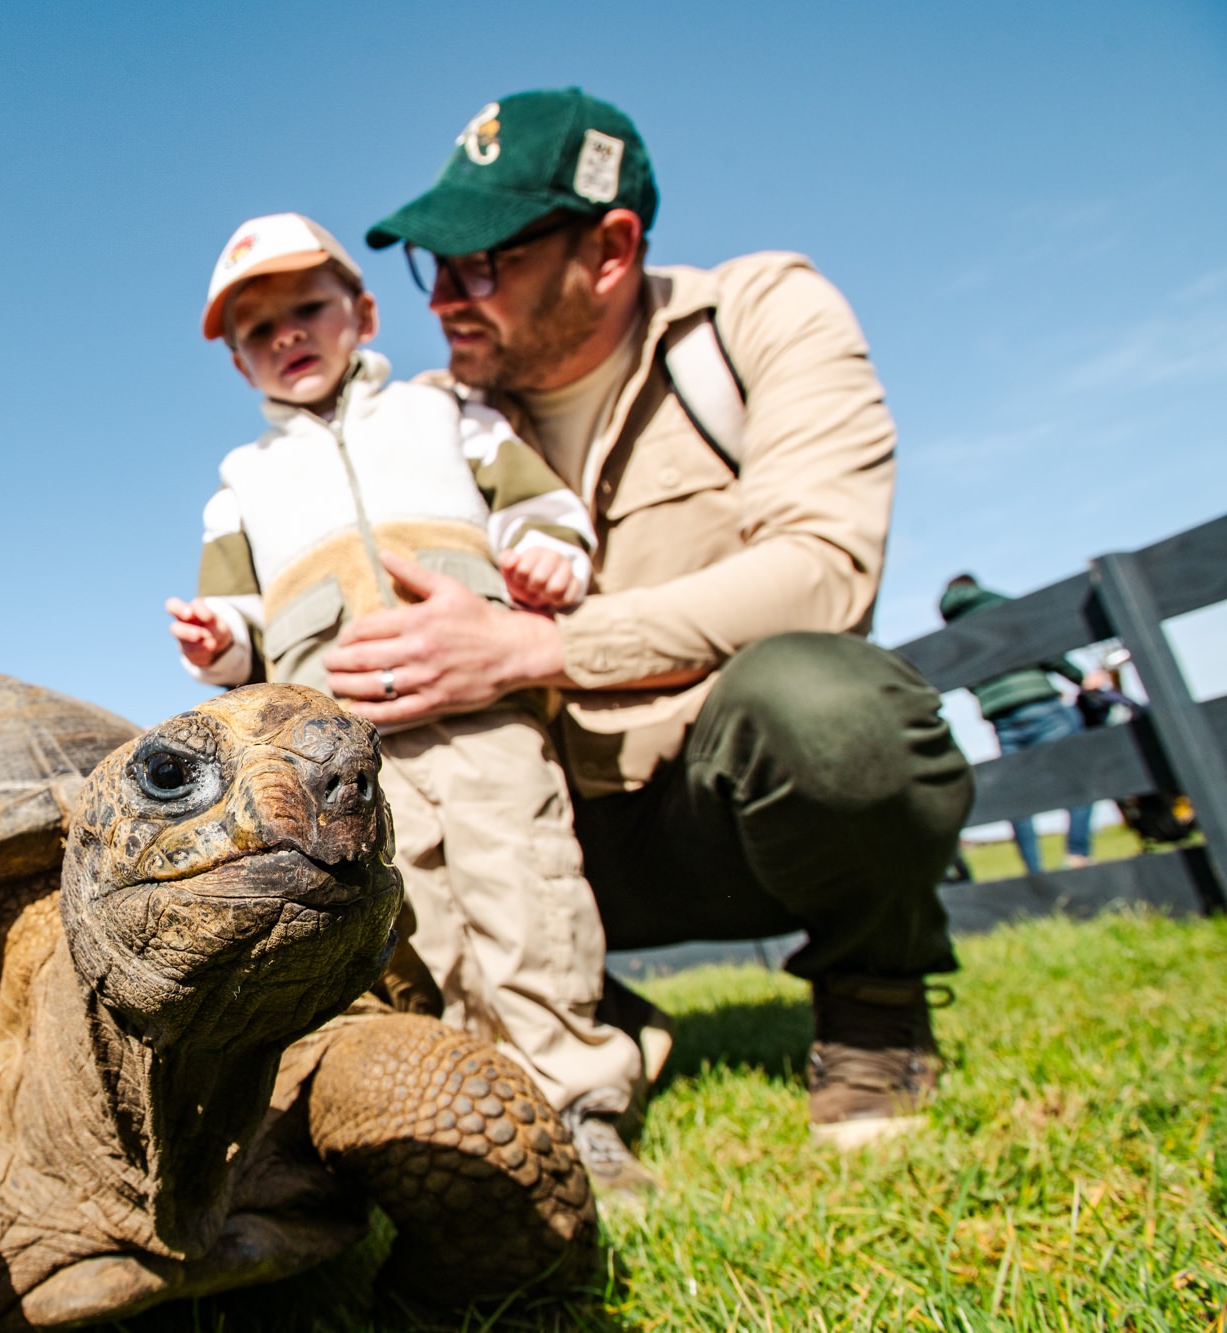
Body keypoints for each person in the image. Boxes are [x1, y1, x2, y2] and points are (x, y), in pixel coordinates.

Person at [322, 89, 976, 1150]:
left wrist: (541, 648)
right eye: (429, 265)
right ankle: (590, 1025)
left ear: (611, 248)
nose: (443, 298)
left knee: (832, 709)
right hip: (534, 829)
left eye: (482, 263)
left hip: (718, 804)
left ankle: (872, 1014)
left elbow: (822, 571)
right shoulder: (432, 417)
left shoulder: (757, 317)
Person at [166, 211, 652, 1194]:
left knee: (525, 886)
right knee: (415, 918)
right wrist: (218, 646)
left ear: (365, 311)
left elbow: (538, 501)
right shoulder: (240, 485)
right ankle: (480, 1104)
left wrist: (549, 551)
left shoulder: (445, 410)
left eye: (308, 309)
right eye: (259, 331)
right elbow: (235, 618)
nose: (288, 336)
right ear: (236, 364)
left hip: (482, 710)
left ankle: (581, 1095)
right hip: (351, 743)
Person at [938, 574, 1099, 872]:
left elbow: (964, 678)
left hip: (1001, 716)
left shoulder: (952, 631)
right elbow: (1041, 646)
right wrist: (1079, 677)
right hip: (1040, 701)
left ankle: (1033, 872)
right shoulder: (999, 606)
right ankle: (1077, 854)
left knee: (1018, 795)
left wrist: (989, 694)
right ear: (974, 585)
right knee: (1081, 774)